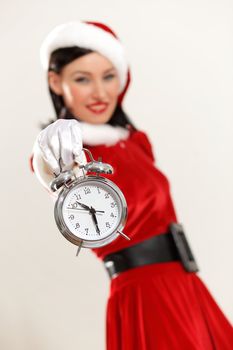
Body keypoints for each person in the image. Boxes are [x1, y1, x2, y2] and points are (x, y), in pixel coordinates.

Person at [31, 21, 233, 349]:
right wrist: (48, 148)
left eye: (108, 76)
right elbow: (51, 168)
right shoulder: (70, 150)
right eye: (82, 79)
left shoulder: (136, 142)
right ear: (56, 82)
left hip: (187, 285)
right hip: (145, 296)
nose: (99, 92)